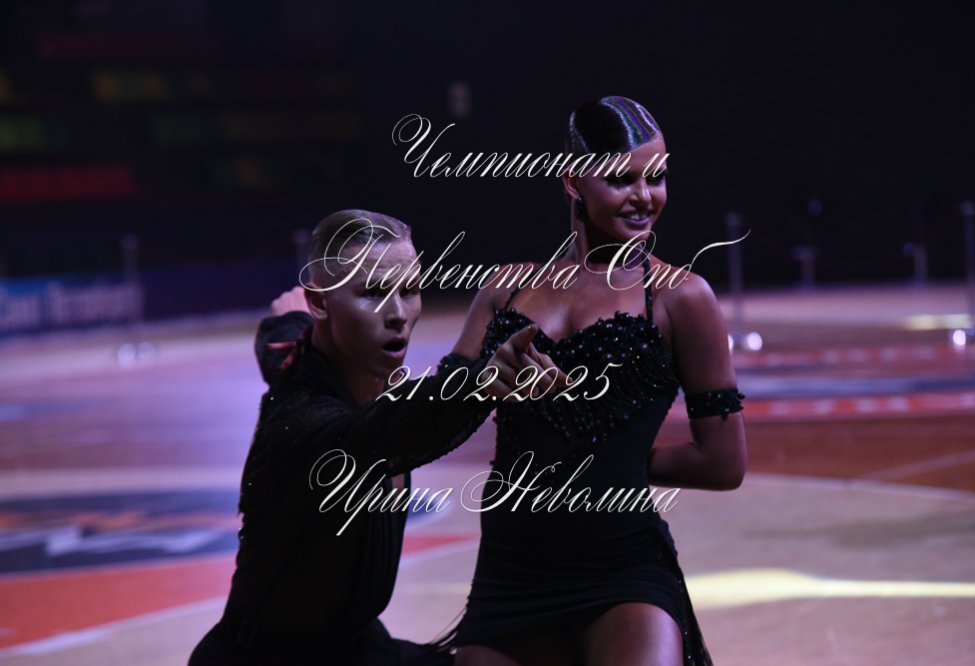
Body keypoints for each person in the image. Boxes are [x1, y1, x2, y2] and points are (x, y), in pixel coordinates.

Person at [448, 97, 748, 665]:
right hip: (511, 574)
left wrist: (614, 462)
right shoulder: (504, 289)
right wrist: (484, 382)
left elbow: (723, 464)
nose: (644, 196)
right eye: (620, 179)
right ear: (572, 182)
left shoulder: (682, 298)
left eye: (655, 177)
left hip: (622, 571)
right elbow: (437, 418)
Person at [189, 210, 554, 666]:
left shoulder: (305, 359)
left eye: (410, 290)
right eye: (373, 294)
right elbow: (398, 424)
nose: (398, 315)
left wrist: (489, 305)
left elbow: (282, 341)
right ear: (320, 303)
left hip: (361, 649)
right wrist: (480, 385)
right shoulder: (304, 420)